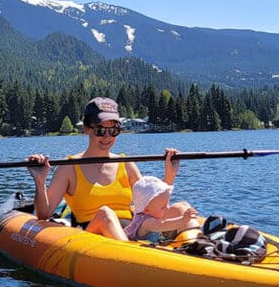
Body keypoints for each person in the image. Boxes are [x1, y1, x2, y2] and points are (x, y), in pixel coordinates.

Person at [26, 97, 196, 241]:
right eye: (100, 130)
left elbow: (150, 205)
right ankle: (131, 258)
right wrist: (40, 182)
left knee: (182, 208)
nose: (107, 137)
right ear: (86, 128)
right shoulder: (69, 167)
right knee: (106, 214)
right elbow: (43, 215)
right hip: (97, 234)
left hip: (131, 230)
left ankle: (198, 247)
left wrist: (169, 175)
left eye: (113, 130)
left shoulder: (126, 163)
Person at [124, 175, 200, 243]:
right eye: (163, 207)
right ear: (147, 210)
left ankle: (198, 236)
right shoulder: (146, 222)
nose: (167, 208)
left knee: (183, 205)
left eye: (167, 204)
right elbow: (162, 224)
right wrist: (182, 220)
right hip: (138, 248)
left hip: (155, 240)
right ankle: (194, 243)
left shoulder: (151, 213)